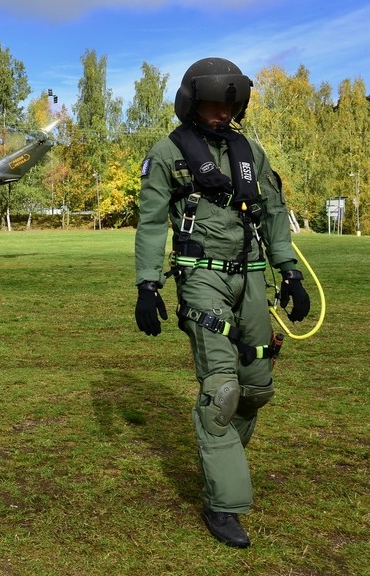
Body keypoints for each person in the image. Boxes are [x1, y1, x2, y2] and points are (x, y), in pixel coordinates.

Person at [133, 57, 310, 548]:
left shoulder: (251, 150)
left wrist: (289, 272)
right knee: (222, 393)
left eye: (228, 105)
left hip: (253, 277)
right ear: (192, 102)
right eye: (212, 103)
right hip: (201, 277)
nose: (220, 113)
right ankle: (224, 503)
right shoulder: (168, 153)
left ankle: (220, 457)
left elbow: (273, 213)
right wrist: (147, 285)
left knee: (256, 388)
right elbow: (149, 223)